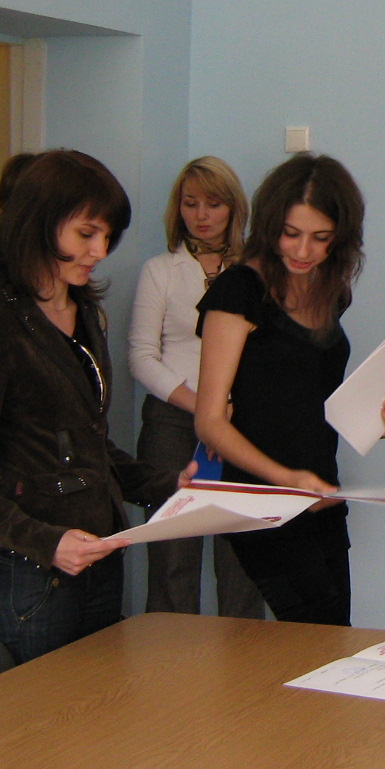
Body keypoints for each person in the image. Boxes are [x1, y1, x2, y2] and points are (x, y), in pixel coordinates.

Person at [0, 149, 182, 663]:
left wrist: (174, 487)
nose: (100, 251)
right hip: (32, 576)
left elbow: (90, 447)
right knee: (36, 713)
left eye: (107, 236)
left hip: (101, 557)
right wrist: (46, 542)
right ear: (39, 224)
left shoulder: (85, 312)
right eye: (86, 234)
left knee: (98, 704)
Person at [193, 153, 385, 625]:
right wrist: (286, 478)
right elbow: (209, 420)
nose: (304, 250)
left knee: (335, 638)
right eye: (291, 233)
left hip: (320, 494)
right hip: (262, 501)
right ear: (270, 224)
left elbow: (308, 401)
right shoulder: (239, 290)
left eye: (321, 238)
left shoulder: (331, 291)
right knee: (321, 638)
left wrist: (376, 423)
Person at [128, 156, 265, 619]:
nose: (201, 215)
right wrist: (204, 408)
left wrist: (228, 410)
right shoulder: (160, 270)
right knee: (172, 560)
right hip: (172, 422)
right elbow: (142, 357)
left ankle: (246, 660)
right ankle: (169, 660)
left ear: (234, 208)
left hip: (242, 422)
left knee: (243, 561)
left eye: (213, 204)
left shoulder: (256, 272)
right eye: (190, 204)